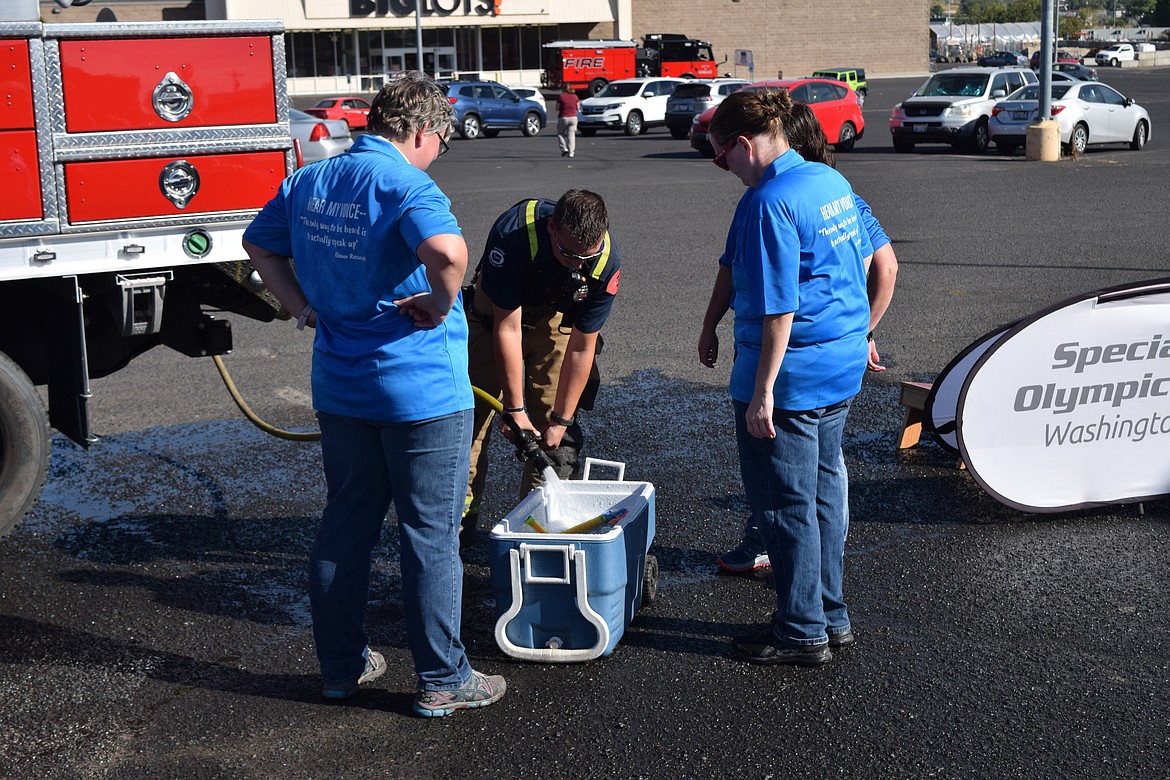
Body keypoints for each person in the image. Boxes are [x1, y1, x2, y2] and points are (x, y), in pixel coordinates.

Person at [241, 72, 506, 717]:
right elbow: (447, 251)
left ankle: (341, 666)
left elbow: (257, 244)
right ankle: (443, 679)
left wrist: (301, 308)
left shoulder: (310, 178)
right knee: (429, 535)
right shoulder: (405, 183)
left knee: (346, 525)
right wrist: (442, 304)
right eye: (439, 140)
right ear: (418, 131)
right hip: (421, 394)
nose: (438, 150)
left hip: (341, 386)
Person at [700, 88, 873, 666]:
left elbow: (780, 306)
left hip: (791, 377)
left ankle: (800, 630)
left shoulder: (769, 201)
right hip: (839, 366)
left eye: (722, 156)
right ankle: (830, 614)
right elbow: (870, 262)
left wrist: (762, 393)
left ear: (745, 144)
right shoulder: (830, 183)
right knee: (824, 496)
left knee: (783, 505)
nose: (722, 168)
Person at [462, 190, 620, 539]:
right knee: (471, 417)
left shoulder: (605, 262)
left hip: (556, 313)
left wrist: (561, 420)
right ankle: (459, 523)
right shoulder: (512, 234)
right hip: (496, 313)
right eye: (569, 254)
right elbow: (507, 327)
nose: (579, 264)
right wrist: (514, 409)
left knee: (556, 433)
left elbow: (582, 347)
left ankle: (536, 532)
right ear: (551, 228)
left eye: (586, 257)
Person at [556, 83, 580, 158]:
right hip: (573, 117)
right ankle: (571, 152)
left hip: (563, 117)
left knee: (560, 133)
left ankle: (564, 148)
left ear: (563, 89)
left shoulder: (561, 97)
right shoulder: (575, 97)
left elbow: (557, 108)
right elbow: (578, 108)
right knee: (571, 135)